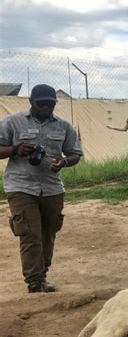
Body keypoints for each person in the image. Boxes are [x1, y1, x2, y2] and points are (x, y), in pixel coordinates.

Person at [0, 84, 83, 293]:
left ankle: (43, 275)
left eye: (50, 104)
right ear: (31, 102)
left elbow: (75, 154)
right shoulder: (12, 122)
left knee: (48, 233)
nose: (46, 107)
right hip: (20, 186)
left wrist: (64, 162)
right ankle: (34, 282)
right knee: (30, 233)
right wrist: (16, 149)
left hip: (52, 187)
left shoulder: (64, 126)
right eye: (42, 103)